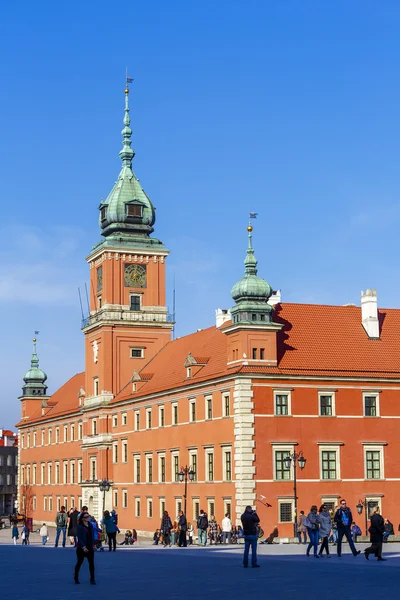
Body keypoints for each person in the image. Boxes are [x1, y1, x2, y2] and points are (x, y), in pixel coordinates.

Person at [74, 511, 96, 584]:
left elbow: (92, 536)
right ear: (83, 519)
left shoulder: (91, 525)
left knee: (91, 564)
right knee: (79, 563)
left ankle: (92, 579)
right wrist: (83, 547)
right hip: (81, 548)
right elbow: (79, 538)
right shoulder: (80, 527)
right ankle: (76, 577)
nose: (88, 518)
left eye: (88, 516)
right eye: (87, 517)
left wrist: (94, 545)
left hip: (89, 547)